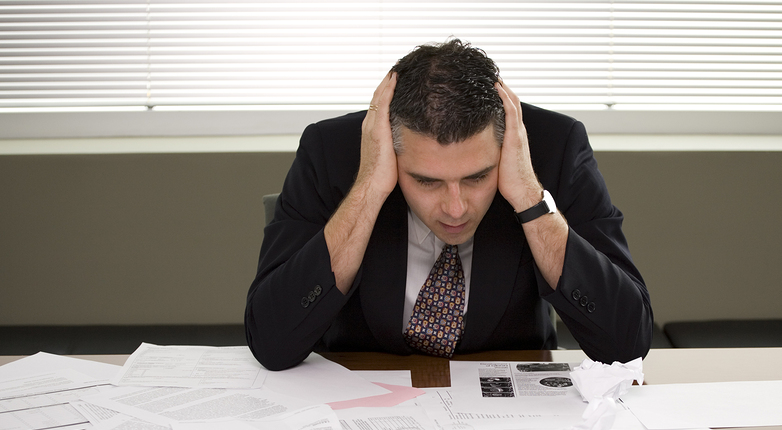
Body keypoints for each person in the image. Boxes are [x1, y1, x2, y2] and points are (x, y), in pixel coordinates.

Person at [245, 39, 653, 371]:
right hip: (364, 398)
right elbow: (272, 343)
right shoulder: (331, 151)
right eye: (426, 181)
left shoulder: (553, 147)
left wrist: (530, 198)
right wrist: (368, 188)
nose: (455, 209)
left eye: (477, 177)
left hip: (514, 413)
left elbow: (626, 344)